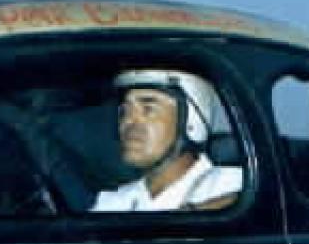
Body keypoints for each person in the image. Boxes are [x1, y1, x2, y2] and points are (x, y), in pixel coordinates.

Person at [90, 69, 243, 212]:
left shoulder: (234, 184)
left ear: (192, 120)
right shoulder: (113, 203)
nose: (128, 122)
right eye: (124, 111)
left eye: (148, 108)